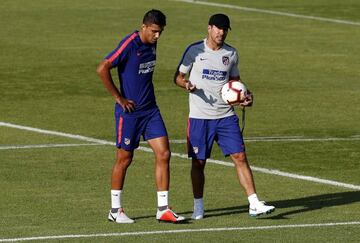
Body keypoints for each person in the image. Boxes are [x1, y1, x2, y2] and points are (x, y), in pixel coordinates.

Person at [174, 13, 275, 220]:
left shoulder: (231, 53)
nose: (222, 32)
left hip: (225, 116)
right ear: (209, 28)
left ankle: (254, 203)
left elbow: (237, 83)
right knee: (198, 163)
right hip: (199, 117)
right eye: (218, 28)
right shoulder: (194, 50)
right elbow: (178, 77)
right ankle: (198, 206)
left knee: (240, 156)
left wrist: (246, 97)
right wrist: (186, 85)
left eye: (225, 29)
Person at [97, 9, 185, 224]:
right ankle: (115, 210)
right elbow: (103, 68)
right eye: (155, 31)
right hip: (130, 114)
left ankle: (163, 209)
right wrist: (119, 98)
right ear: (144, 26)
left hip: (150, 110)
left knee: (164, 154)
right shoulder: (130, 44)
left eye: (161, 32)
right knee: (125, 159)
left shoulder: (152, 43)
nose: (158, 36)